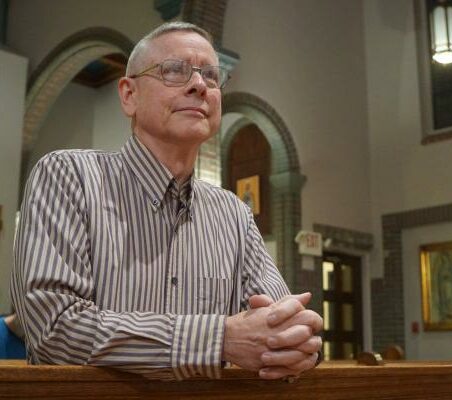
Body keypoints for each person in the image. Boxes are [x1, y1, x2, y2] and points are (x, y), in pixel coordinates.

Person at [11, 22, 322, 380]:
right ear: (129, 95)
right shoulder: (69, 177)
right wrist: (218, 338)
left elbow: (281, 327)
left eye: (211, 75)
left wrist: (297, 342)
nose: (199, 85)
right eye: (174, 70)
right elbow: (54, 327)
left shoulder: (232, 213)